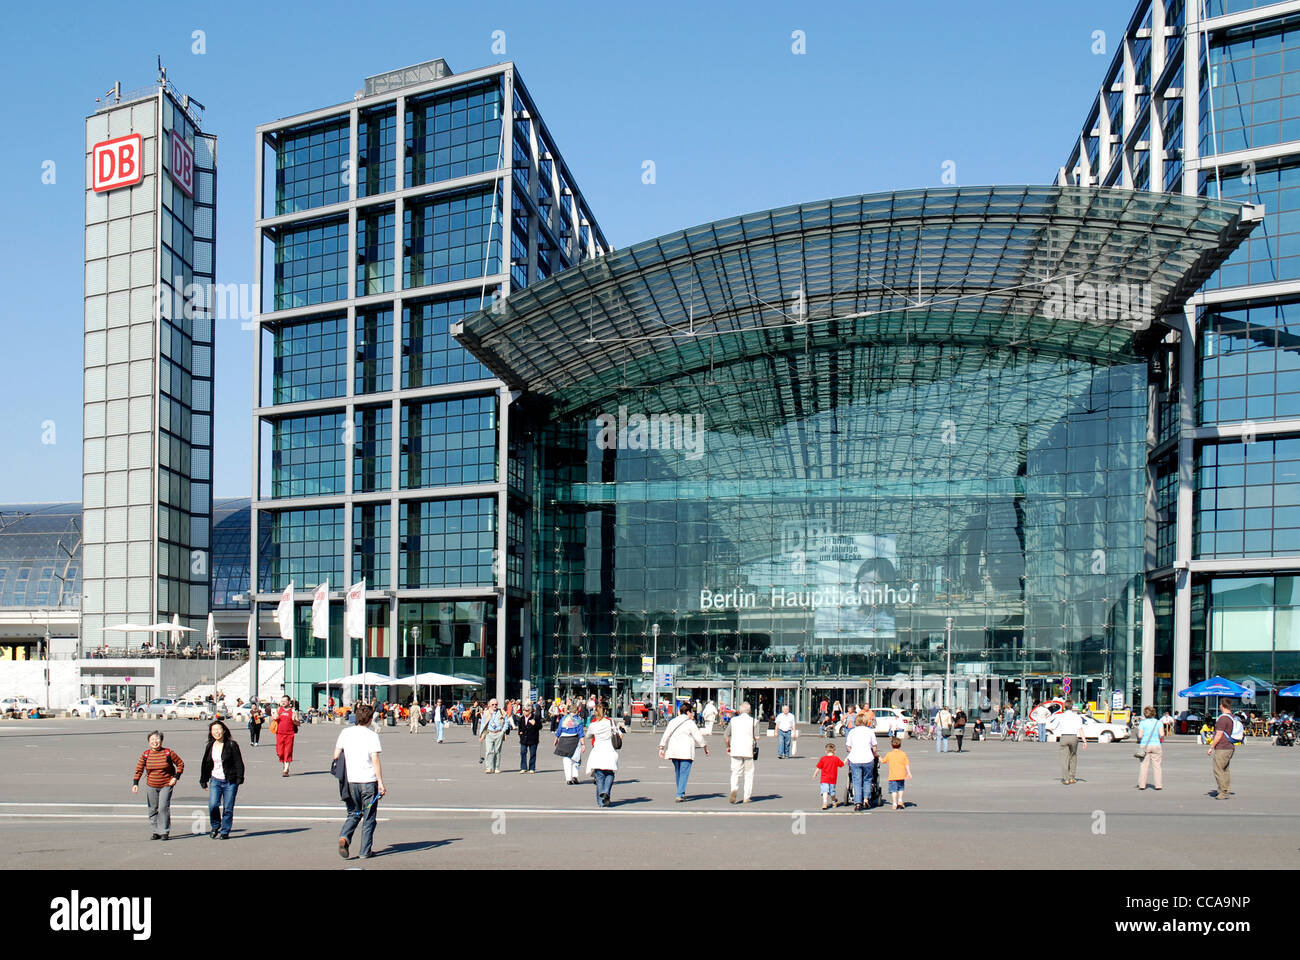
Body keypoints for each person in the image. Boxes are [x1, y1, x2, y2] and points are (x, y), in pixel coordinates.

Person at [333, 702, 386, 859]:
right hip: (368, 781)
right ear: (370, 719)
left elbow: (336, 755)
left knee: (354, 813)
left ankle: (345, 836)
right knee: (369, 817)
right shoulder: (372, 736)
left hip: (350, 781)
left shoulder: (345, 732)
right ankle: (365, 851)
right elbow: (374, 759)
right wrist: (381, 782)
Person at [131, 731, 183, 841]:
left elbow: (180, 764)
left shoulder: (168, 753)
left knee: (163, 807)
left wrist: (175, 777)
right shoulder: (146, 754)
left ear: (161, 740)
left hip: (166, 784)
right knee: (152, 809)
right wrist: (135, 783)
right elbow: (139, 769)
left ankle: (164, 831)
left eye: (157, 739)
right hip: (151, 785)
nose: (155, 742)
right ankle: (156, 831)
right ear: (149, 742)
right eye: (152, 740)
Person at [198, 721, 244, 840]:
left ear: (224, 730)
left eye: (218, 729)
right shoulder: (210, 745)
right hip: (215, 780)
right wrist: (203, 780)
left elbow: (239, 762)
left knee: (228, 808)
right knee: (213, 805)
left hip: (230, 781)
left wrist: (239, 778)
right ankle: (215, 826)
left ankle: (225, 831)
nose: (216, 732)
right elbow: (205, 763)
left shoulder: (232, 744)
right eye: (214, 730)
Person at [659, 702, 709, 800]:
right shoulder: (690, 723)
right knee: (684, 773)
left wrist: (662, 747)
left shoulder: (673, 721)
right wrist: (705, 747)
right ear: (687, 712)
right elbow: (698, 737)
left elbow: (666, 735)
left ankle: (680, 791)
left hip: (674, 751)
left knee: (678, 772)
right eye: (691, 712)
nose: (693, 714)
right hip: (686, 752)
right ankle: (680, 794)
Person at [585, 706, 626, 807]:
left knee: (599, 776)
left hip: (598, 750)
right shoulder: (611, 722)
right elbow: (620, 734)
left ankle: (601, 801)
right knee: (610, 773)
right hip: (610, 750)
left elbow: (588, 736)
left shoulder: (593, 724)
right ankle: (606, 791)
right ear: (605, 712)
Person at [844, 710, 879, 811]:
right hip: (868, 758)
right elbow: (874, 746)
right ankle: (866, 800)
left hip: (855, 758)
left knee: (857, 780)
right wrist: (875, 754)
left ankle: (858, 802)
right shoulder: (870, 731)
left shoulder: (852, 732)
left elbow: (848, 747)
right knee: (868, 779)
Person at [725, 702, 759, 803]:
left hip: (735, 749)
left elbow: (726, 735)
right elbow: (757, 737)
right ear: (749, 711)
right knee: (749, 773)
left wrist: (728, 747)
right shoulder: (754, 721)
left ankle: (734, 790)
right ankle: (746, 796)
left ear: (740, 710)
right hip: (748, 750)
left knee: (735, 772)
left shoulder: (733, 720)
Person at [1046, 699, 1086, 784]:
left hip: (1064, 737)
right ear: (1072, 707)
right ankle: (1072, 777)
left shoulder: (1060, 716)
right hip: (1074, 737)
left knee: (1064, 758)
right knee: (1073, 757)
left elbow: (1052, 727)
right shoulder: (1077, 716)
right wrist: (1084, 741)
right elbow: (1080, 729)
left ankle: (1066, 778)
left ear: (1064, 707)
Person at [1208, 699, 1237, 800]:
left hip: (1222, 746)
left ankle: (1223, 791)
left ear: (1222, 706)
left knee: (1218, 769)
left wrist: (1212, 746)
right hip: (1230, 746)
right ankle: (1226, 789)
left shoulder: (1222, 719)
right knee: (1225, 769)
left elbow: (1219, 734)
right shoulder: (1233, 717)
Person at [554, 705, 586, 784]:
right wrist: (583, 744)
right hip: (574, 739)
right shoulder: (578, 720)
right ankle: (575, 775)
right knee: (576, 759)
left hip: (564, 739)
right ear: (576, 711)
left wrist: (556, 739)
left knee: (566, 759)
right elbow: (580, 733)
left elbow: (559, 730)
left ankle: (568, 778)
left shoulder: (564, 718)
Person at [1136, 705, 1164, 791]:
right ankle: (1158, 785)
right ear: (1154, 713)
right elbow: (1162, 734)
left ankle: (1142, 785)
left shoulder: (1142, 723)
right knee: (1157, 766)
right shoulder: (1158, 722)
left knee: (1144, 765)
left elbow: (1140, 735)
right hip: (1156, 745)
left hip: (1145, 745)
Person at [880, 737, 913, 810]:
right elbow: (906, 764)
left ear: (892, 746)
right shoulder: (903, 754)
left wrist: (878, 756)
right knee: (901, 788)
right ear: (900, 745)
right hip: (901, 775)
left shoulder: (889, 754)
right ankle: (900, 800)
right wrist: (909, 773)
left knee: (894, 790)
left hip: (893, 776)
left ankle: (894, 803)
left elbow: (883, 761)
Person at [478, 698, 508, 774]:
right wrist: (481, 735)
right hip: (489, 733)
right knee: (489, 751)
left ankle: (496, 767)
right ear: (489, 705)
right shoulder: (486, 713)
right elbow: (483, 724)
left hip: (498, 733)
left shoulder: (501, 712)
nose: (495, 706)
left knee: (497, 751)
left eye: (496, 704)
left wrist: (503, 731)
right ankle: (489, 768)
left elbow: (506, 722)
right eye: (493, 704)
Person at [815, 741, 845, 810]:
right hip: (832, 779)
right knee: (832, 792)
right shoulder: (836, 758)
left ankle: (824, 803)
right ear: (834, 751)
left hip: (824, 778)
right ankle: (834, 801)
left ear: (826, 751)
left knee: (825, 791)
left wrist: (815, 774)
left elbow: (818, 767)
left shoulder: (823, 759)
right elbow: (842, 765)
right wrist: (846, 760)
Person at [273, 696, 297, 777]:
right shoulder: (279, 710)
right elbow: (274, 718)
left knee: (288, 751)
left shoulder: (293, 711)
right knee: (280, 752)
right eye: (282, 701)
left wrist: (294, 720)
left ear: (289, 702)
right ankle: (284, 763)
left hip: (289, 734)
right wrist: (274, 717)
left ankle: (286, 769)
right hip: (279, 733)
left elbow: (298, 723)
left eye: (284, 701)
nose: (283, 702)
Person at [516, 702, 541, 773]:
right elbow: (520, 728)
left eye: (526, 710)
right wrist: (520, 734)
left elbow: (540, 727)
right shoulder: (521, 718)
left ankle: (532, 768)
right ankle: (523, 767)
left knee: (532, 753)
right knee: (523, 752)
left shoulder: (535, 717)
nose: (524, 712)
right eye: (523, 710)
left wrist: (535, 724)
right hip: (524, 739)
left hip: (533, 738)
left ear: (530, 711)